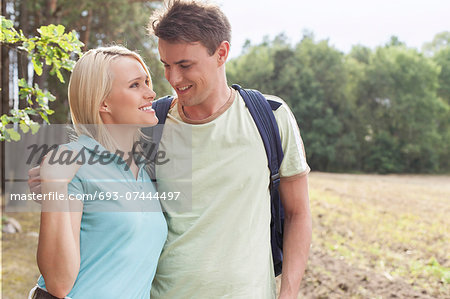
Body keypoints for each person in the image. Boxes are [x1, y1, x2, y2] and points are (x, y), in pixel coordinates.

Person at [147, 1, 312, 298]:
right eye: (166, 65)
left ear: (221, 53)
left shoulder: (271, 116)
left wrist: (287, 294)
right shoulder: (150, 126)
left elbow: (298, 213)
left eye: (185, 65)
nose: (172, 79)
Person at [29, 45, 167, 299]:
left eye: (147, 81)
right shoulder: (72, 163)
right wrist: (54, 187)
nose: (151, 92)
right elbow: (58, 284)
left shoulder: (144, 168)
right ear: (103, 102)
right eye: (135, 85)